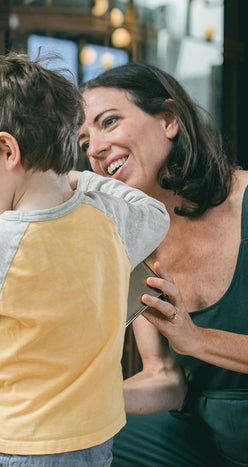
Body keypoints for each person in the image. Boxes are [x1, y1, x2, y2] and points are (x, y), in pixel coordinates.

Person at [0, 53, 169, 467]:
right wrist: (77, 178)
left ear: (7, 150)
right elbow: (154, 214)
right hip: (97, 438)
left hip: (24, 444)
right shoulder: (108, 219)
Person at [79, 62, 248, 466]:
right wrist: (76, 401)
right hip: (205, 435)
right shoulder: (137, 245)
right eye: (84, 140)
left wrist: (196, 339)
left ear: (169, 120)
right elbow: (166, 379)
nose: (95, 149)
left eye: (110, 122)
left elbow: (189, 343)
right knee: (82, 449)